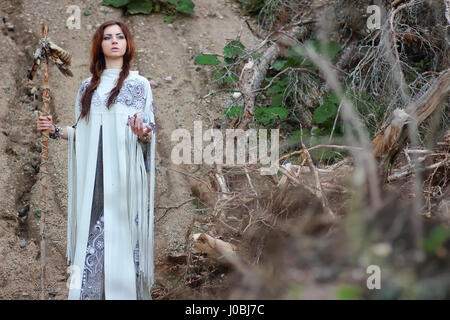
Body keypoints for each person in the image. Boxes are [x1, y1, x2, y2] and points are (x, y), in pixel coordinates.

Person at [36, 20, 156, 300]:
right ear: (99, 45)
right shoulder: (87, 87)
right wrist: (53, 129)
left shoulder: (140, 86)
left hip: (125, 176)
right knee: (93, 236)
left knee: (123, 235)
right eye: (107, 37)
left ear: (127, 44)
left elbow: (148, 131)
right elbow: (82, 133)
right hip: (96, 179)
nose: (114, 41)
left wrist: (142, 132)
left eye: (119, 37)